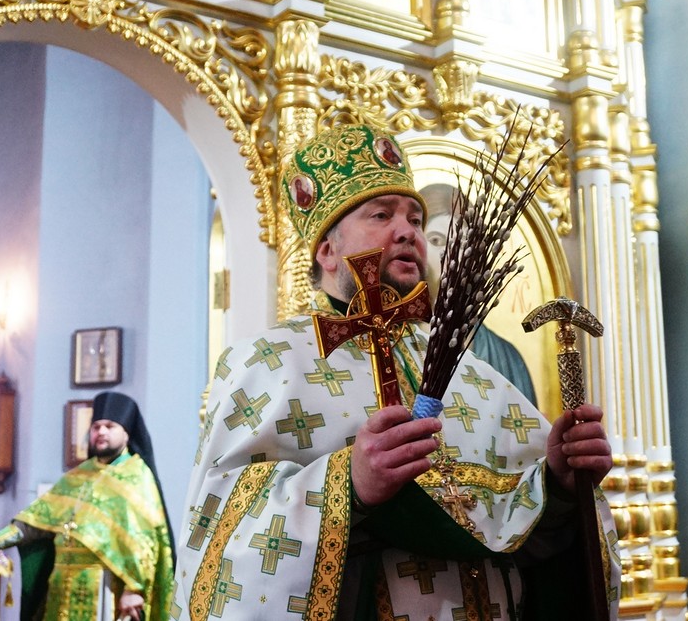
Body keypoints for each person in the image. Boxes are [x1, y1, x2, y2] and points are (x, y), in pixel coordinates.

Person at [175, 124, 621, 619]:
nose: (408, 231)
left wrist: (557, 484)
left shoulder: (471, 372)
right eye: (382, 215)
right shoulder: (269, 362)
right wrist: (348, 484)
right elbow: (219, 535)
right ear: (327, 250)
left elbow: (525, 534)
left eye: (415, 218)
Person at [0, 391, 175, 621]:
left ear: (126, 433)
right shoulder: (76, 476)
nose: (101, 432)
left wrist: (135, 589)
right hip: (61, 584)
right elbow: (36, 521)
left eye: (110, 426)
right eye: (96, 427)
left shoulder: (137, 477)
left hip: (103, 585)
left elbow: (145, 541)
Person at [420, 182, 538, 406]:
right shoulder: (393, 346)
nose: (451, 254)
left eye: (462, 243)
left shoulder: (507, 359)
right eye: (436, 240)